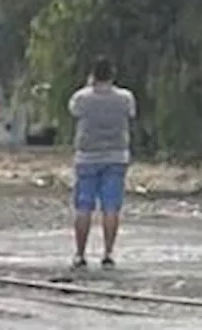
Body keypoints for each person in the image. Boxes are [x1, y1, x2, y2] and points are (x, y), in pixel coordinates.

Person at [67, 55, 136, 269]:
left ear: (93, 75)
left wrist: (89, 86)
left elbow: (73, 111)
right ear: (112, 75)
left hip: (87, 157)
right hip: (116, 156)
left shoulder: (82, 98)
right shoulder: (125, 98)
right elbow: (131, 114)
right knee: (111, 207)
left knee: (84, 206)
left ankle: (80, 254)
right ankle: (108, 253)